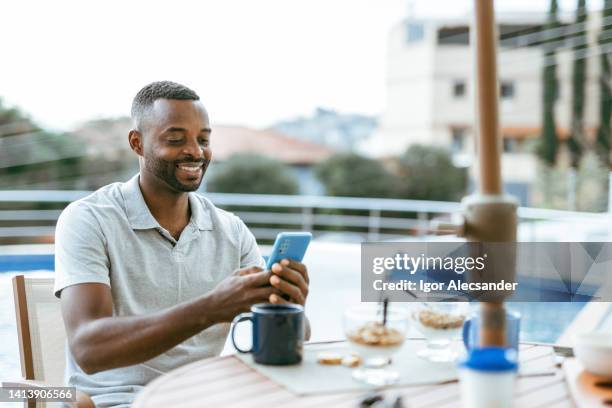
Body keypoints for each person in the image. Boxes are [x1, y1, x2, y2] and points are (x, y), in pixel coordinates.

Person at [53, 81, 311, 407]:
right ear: (137, 143)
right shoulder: (89, 219)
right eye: (176, 139)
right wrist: (211, 308)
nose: (195, 151)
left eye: (203, 139)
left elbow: (289, 342)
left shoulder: (231, 231)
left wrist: (291, 308)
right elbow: (89, 349)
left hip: (209, 398)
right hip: (119, 401)